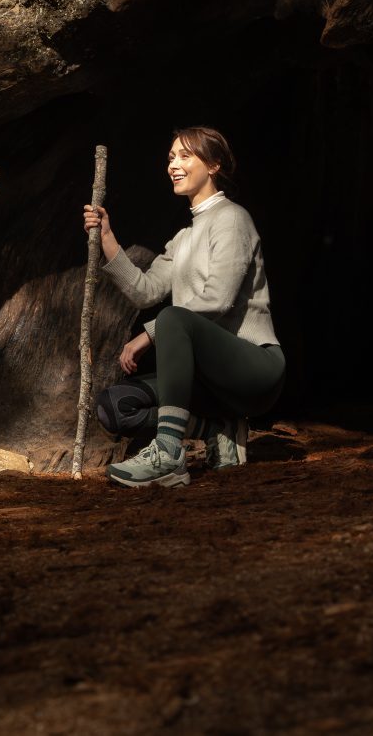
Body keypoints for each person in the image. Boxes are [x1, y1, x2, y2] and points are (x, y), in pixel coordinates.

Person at [83, 126, 285, 488]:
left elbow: (218, 300)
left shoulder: (233, 219)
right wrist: (108, 239)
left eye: (184, 156)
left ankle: (169, 454)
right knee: (114, 405)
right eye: (170, 158)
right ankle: (218, 431)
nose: (173, 165)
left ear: (214, 165)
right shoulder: (184, 237)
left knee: (173, 317)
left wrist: (149, 335)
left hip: (253, 369)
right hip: (208, 382)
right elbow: (145, 291)